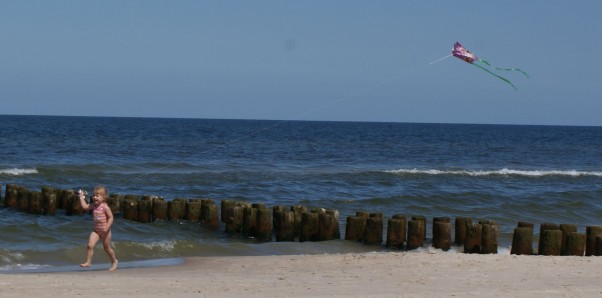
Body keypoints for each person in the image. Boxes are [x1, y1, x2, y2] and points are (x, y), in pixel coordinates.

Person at [78, 186, 118, 270]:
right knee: (90, 245)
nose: (95, 197)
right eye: (94, 195)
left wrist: (107, 227)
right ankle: (88, 262)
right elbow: (85, 207)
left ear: (103, 198)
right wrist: (81, 197)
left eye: (97, 196)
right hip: (96, 231)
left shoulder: (105, 207)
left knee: (106, 248)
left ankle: (114, 261)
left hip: (105, 231)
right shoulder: (93, 206)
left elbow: (111, 217)